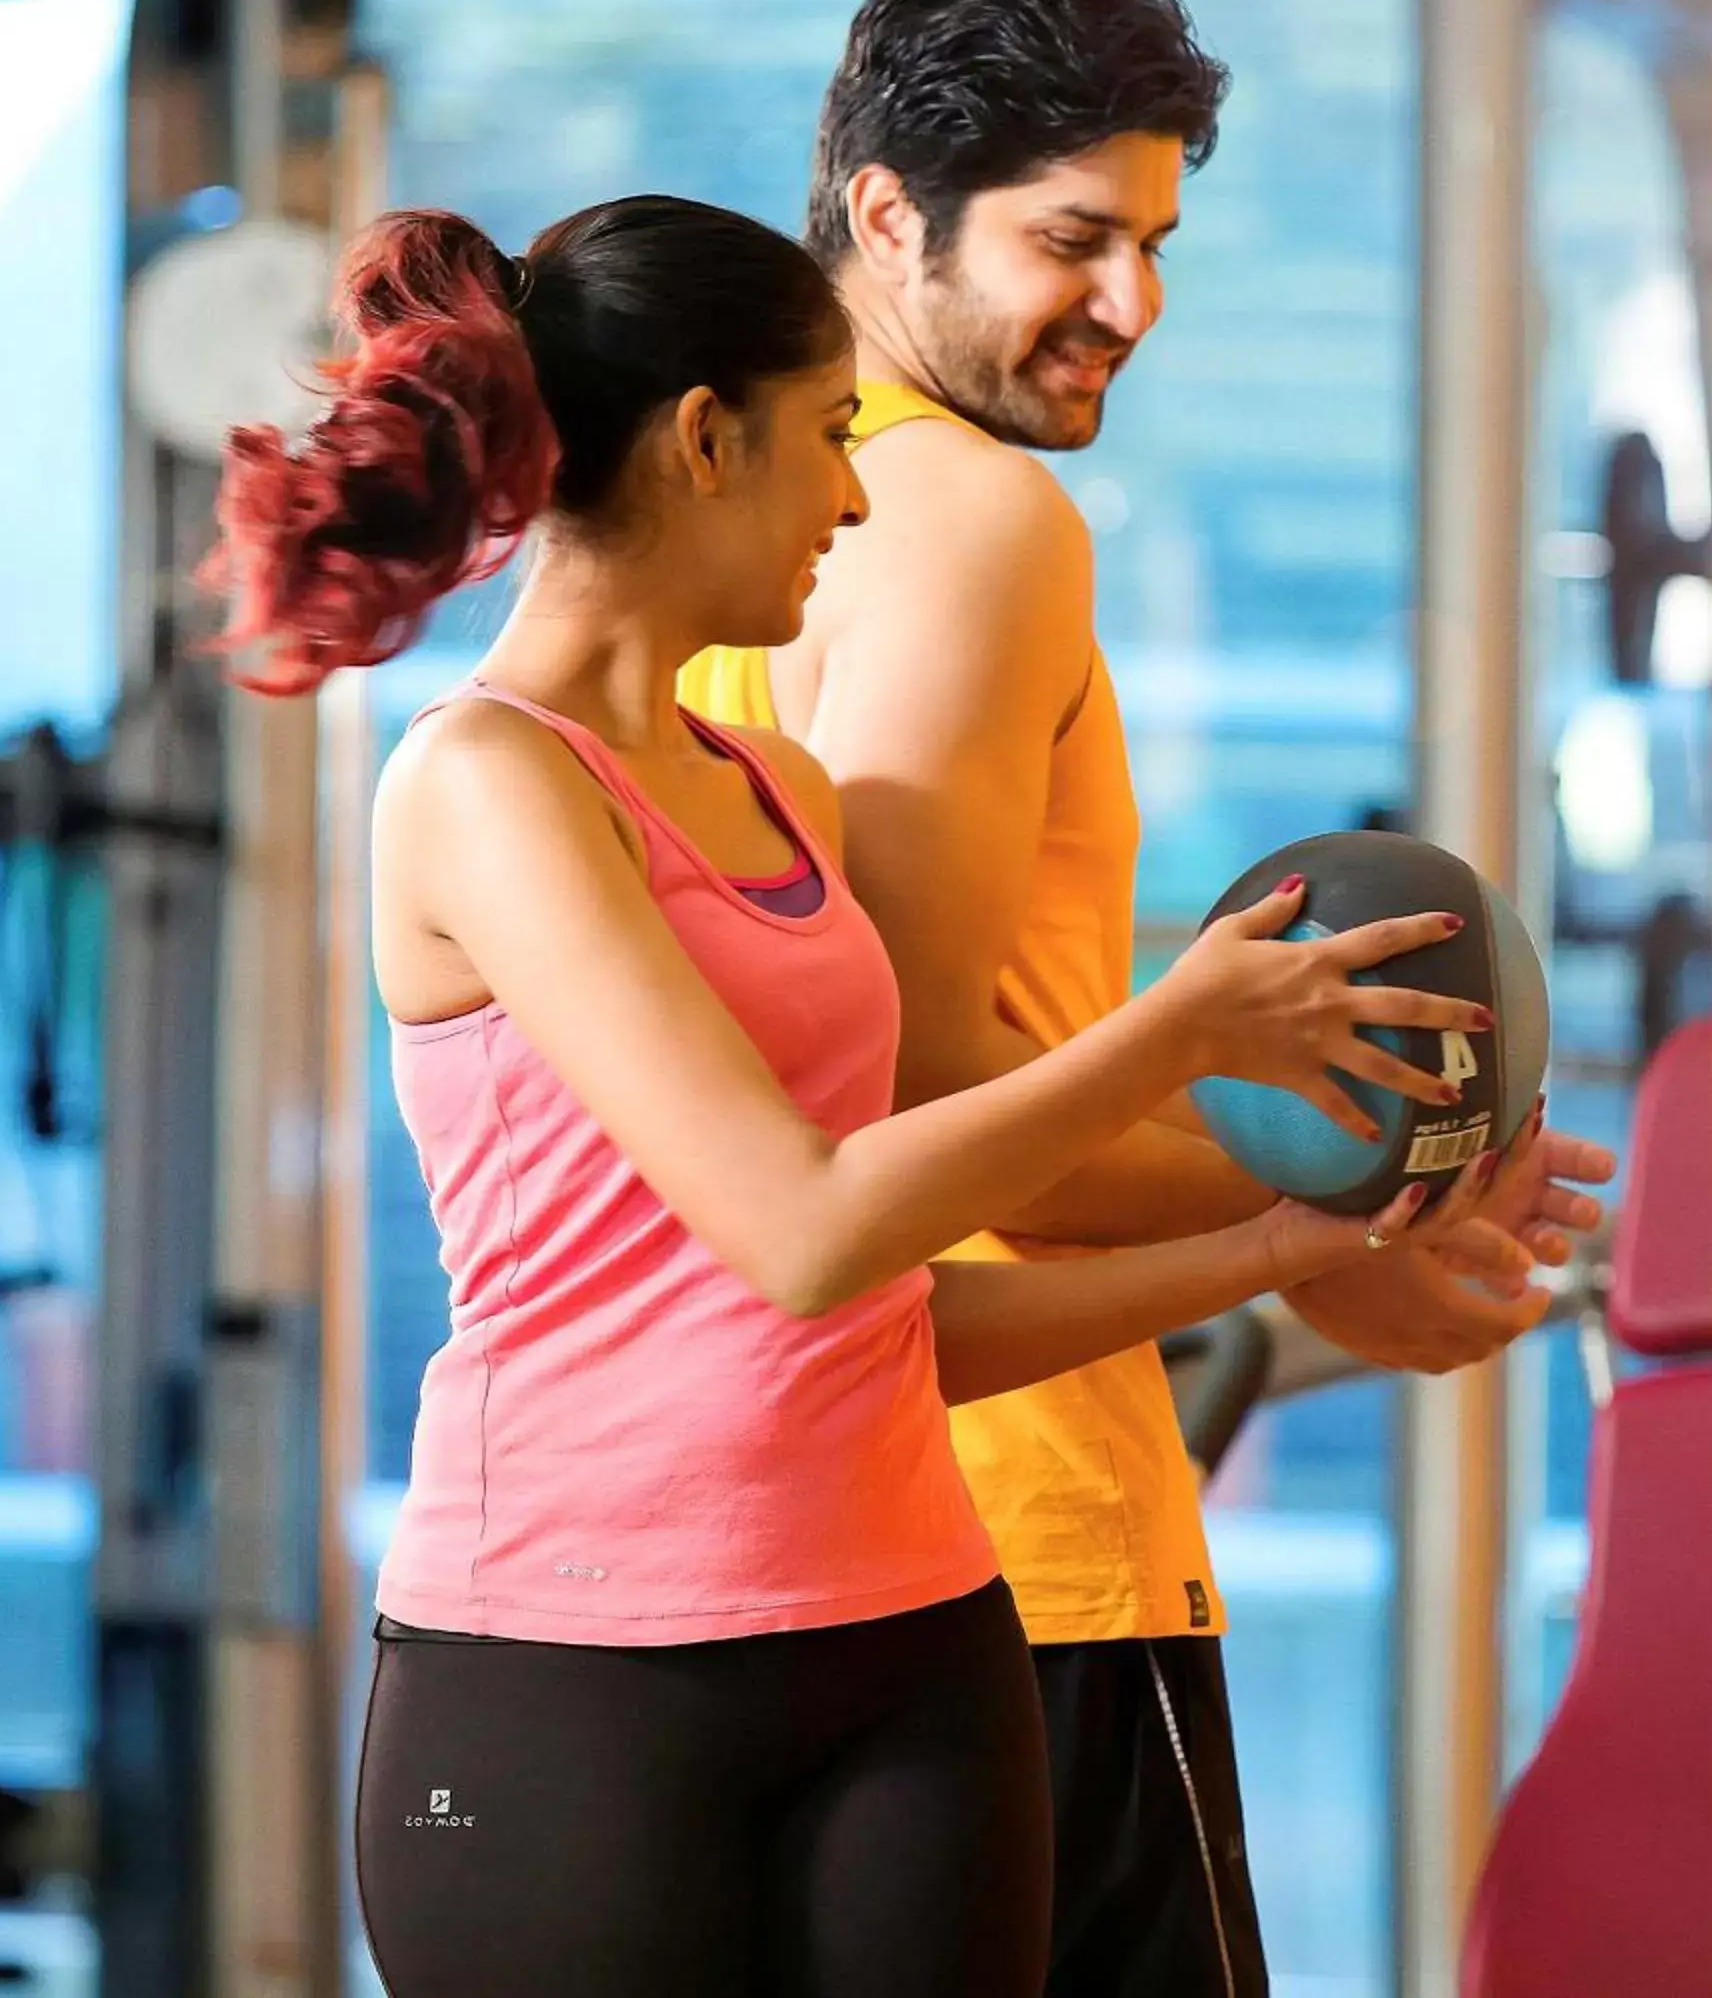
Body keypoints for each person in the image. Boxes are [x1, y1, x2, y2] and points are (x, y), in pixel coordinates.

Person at [202, 193, 1552, 1998]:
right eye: (830, 439)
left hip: (918, 1640)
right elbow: (805, 1227)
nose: (852, 503)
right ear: (705, 439)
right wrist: (1180, 1032)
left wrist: (1307, 1228)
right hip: (574, 1676)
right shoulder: (484, 786)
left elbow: (892, 1319)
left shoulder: (780, 796)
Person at [681, 0, 1615, 1995]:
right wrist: (1360, 1196)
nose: (1135, 304)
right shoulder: (968, 521)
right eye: (1075, 239)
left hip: (758, 1545)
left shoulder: (708, 531)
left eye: (1159, 240)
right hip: (1012, 1557)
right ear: (884, 213)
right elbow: (920, 1093)